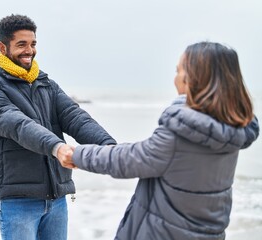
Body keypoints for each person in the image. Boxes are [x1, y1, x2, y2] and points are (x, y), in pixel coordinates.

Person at [59, 42, 260, 239]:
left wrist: (77, 154)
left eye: (178, 71)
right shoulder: (230, 126)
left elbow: (129, 160)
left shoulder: (183, 131)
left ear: (194, 78)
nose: (175, 79)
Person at [0, 14, 116, 240]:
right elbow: (17, 124)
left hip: (57, 201)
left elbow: (75, 117)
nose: (29, 50)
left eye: (33, 44)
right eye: (21, 44)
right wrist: (57, 147)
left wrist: (110, 147)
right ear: (3, 47)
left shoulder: (46, 84)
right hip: (18, 203)